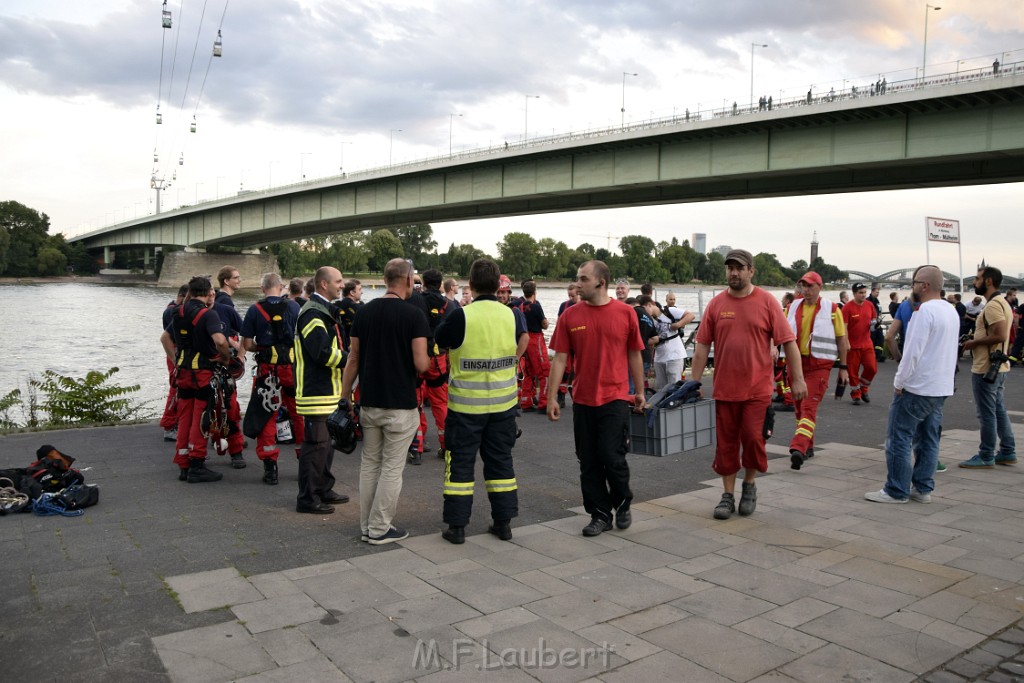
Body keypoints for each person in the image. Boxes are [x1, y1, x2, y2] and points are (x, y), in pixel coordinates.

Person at [689, 249, 807, 519]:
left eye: (740, 268)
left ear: (751, 271)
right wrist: (693, 382)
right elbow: (702, 346)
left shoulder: (766, 302)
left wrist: (798, 378)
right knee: (727, 444)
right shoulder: (717, 304)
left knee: (754, 440)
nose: (734, 272)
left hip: (757, 390)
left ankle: (750, 484)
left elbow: (788, 342)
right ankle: (727, 496)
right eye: (730, 268)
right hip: (725, 390)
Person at [547, 260, 645, 537]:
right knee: (588, 460)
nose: (578, 283)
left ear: (601, 282)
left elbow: (634, 354)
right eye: (578, 278)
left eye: (583, 279)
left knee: (612, 457)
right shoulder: (570, 316)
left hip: (614, 397)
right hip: (583, 400)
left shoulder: (626, 313)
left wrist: (639, 391)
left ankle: (623, 500)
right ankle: (599, 514)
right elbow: (560, 359)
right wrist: (551, 397)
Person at [436, 258, 526, 544]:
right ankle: (503, 523)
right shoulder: (511, 315)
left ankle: (457, 527)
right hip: (503, 405)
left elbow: (440, 340)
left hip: (465, 408)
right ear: (498, 283)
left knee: (460, 465)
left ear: (471, 285)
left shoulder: (462, 315)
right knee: (501, 463)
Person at [341, 259, 430, 544]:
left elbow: (352, 359)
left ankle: (367, 525)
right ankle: (380, 528)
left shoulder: (363, 313)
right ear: (408, 280)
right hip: (400, 403)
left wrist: (345, 397)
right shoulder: (414, 315)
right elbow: (421, 364)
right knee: (392, 467)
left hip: (369, 401)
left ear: (385, 279)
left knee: (369, 465)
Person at [865, 266, 959, 503]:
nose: (912, 287)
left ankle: (896, 490)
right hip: (941, 386)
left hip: (918, 386)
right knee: (928, 439)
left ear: (924, 286)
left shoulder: (923, 312)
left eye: (914, 282)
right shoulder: (951, 311)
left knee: (899, 437)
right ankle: (923, 489)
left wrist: (900, 382)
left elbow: (912, 353)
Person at [159, 276, 232, 483]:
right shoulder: (208, 315)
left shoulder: (178, 311)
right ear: (209, 292)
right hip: (202, 373)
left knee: (184, 417)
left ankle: (183, 463)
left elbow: (165, 338)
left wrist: (176, 360)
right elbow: (219, 341)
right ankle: (197, 464)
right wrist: (225, 359)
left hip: (183, 373)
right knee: (203, 417)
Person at [294, 266, 351, 514]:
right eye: (338, 281)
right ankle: (307, 498)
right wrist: (352, 359)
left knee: (326, 445)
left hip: (326, 391)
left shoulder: (321, 311)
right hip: (316, 392)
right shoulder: (313, 314)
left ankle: (323, 489)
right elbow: (321, 352)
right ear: (324, 284)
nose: (342, 285)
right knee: (316, 445)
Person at [240, 272, 304, 485]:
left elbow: (247, 345)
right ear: (282, 286)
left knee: (267, 415)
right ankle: (305, 462)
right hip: (293, 370)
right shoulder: (295, 308)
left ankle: (270, 467)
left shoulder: (254, 310)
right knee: (299, 414)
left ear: (262, 289)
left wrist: (264, 347)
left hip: (268, 372)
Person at [786, 272, 849, 470]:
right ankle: (809, 447)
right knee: (799, 409)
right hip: (796, 365)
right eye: (803, 286)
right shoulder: (792, 306)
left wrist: (844, 368)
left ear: (819, 287)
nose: (806, 290)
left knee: (808, 408)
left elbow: (842, 340)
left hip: (819, 367)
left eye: (810, 286)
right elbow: (781, 332)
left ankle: (798, 448)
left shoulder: (832, 309)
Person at [960, 266, 1017, 468]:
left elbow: (1000, 334)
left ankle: (986, 455)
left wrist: (973, 343)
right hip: (999, 367)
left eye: (977, 279)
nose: (974, 282)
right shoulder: (1003, 303)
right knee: (998, 410)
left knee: (986, 413)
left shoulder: (992, 306)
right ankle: (1008, 451)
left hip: (986, 368)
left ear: (989, 281)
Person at [213, 265, 247, 468]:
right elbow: (225, 336)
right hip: (220, 365)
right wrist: (238, 352)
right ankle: (235, 451)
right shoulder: (225, 303)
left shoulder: (188, 311)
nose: (239, 280)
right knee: (229, 406)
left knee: (212, 408)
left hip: (207, 367)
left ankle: (215, 442)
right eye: (236, 277)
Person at [416, 268, 451, 462]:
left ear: (423, 282)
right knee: (440, 403)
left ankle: (416, 447)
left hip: (417, 357)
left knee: (416, 402)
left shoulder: (415, 300)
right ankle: (446, 445)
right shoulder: (449, 305)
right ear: (440, 283)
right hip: (439, 359)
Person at [640, 295, 695, 391]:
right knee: (661, 390)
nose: (643, 313)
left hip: (675, 355)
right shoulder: (648, 319)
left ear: (650, 305)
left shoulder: (670, 311)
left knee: (674, 389)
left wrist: (677, 325)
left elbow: (691, 316)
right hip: (659, 358)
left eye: (644, 309)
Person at [160, 284, 189, 442]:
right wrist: (175, 360)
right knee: (176, 388)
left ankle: (174, 423)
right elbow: (169, 337)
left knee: (178, 388)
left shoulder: (171, 309)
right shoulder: (173, 312)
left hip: (176, 353)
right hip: (176, 353)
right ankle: (169, 425)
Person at [517, 279, 550, 412]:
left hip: (523, 339)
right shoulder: (536, 306)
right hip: (535, 339)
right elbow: (544, 324)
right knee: (544, 372)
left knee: (528, 372)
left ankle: (526, 401)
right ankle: (544, 402)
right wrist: (546, 322)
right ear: (535, 292)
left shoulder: (519, 306)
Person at [843, 283, 877, 405]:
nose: (863, 295)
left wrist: (874, 325)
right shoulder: (847, 308)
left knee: (872, 368)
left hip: (867, 344)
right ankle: (855, 393)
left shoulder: (870, 305)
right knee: (852, 372)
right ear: (854, 294)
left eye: (864, 292)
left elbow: (873, 321)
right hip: (852, 346)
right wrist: (845, 342)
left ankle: (864, 387)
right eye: (860, 293)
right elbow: (844, 328)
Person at [555, 284, 579, 407]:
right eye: (569, 295)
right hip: (567, 343)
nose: (570, 298)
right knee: (565, 370)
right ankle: (561, 395)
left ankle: (578, 395)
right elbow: (559, 323)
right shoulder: (564, 306)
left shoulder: (583, 306)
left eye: (573, 296)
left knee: (579, 370)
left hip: (579, 343)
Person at [335, 279, 362, 351]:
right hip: (351, 344)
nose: (362, 292)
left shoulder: (336, 305)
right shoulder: (357, 308)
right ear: (352, 292)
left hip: (339, 344)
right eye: (359, 289)